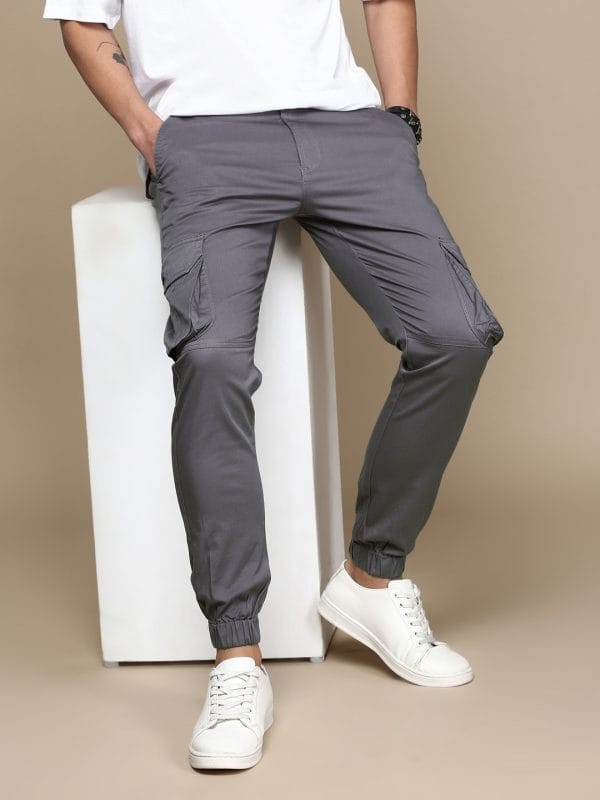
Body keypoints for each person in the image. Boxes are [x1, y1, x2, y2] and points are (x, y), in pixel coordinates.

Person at [42, 0, 505, 771]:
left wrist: (399, 119)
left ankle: (373, 576)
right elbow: (82, 19)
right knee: (211, 360)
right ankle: (236, 656)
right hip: (206, 138)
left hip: (349, 129)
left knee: (457, 334)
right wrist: (149, 133)